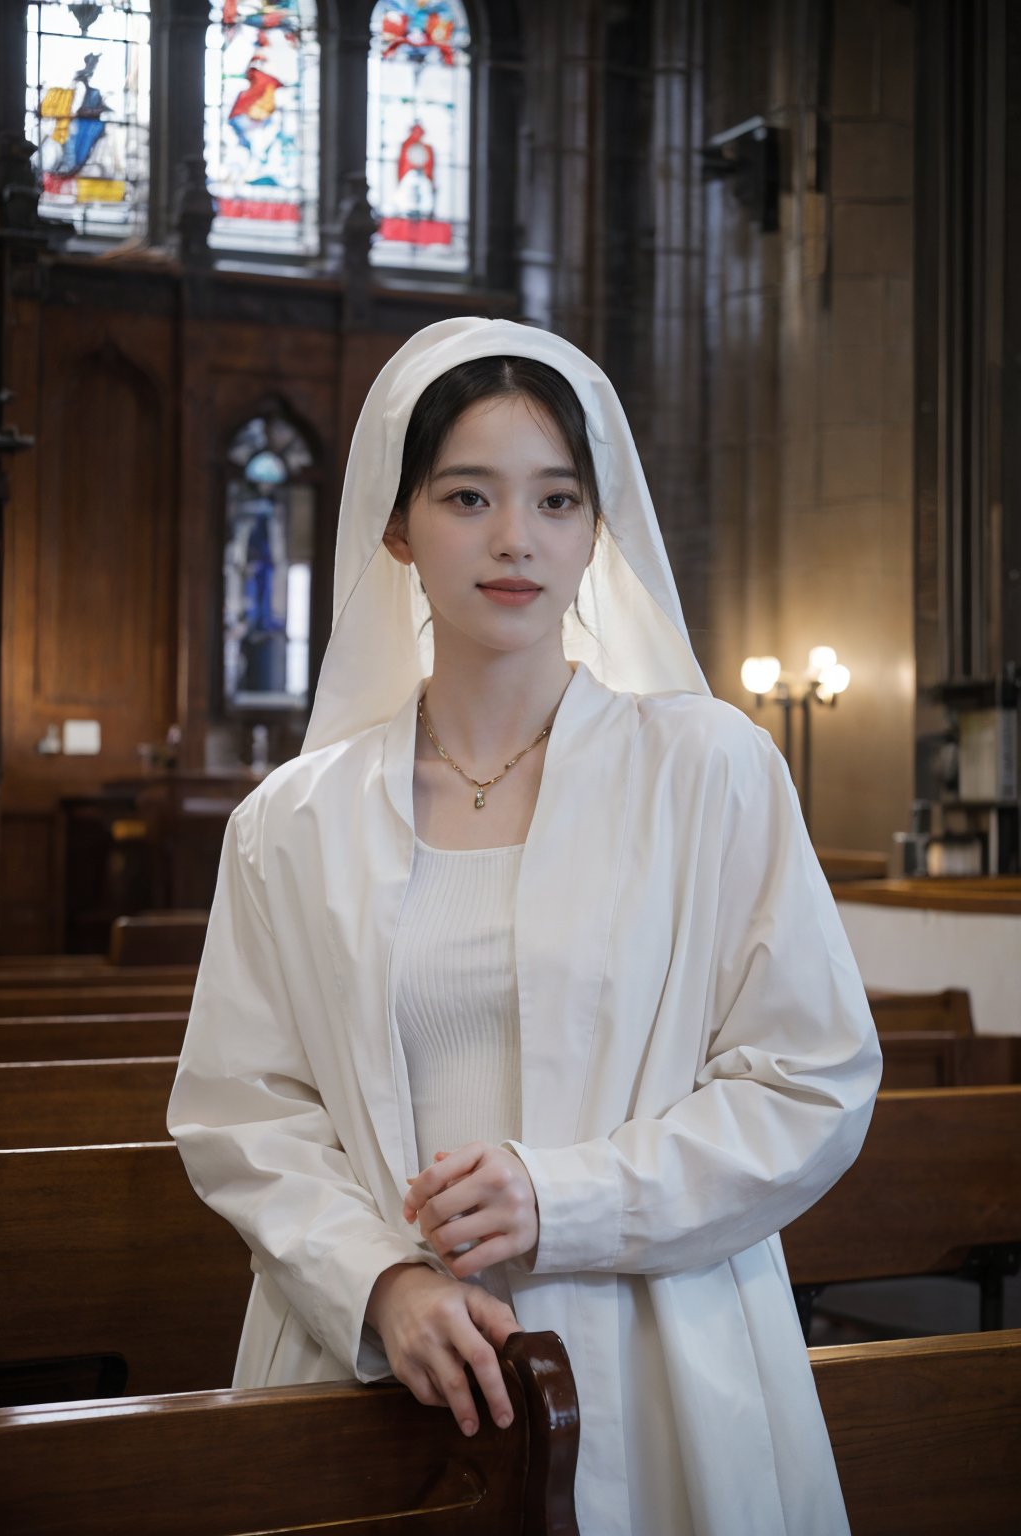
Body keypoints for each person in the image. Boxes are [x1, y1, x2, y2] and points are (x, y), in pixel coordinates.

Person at [168, 317, 882, 1536]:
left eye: (557, 500)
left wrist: (568, 1199)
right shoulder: (293, 819)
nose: (516, 540)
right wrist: (378, 1278)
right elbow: (244, 1108)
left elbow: (808, 1081)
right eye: (468, 496)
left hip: (654, 1356)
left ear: (596, 528)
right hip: (376, 1364)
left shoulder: (709, 770)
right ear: (398, 528)